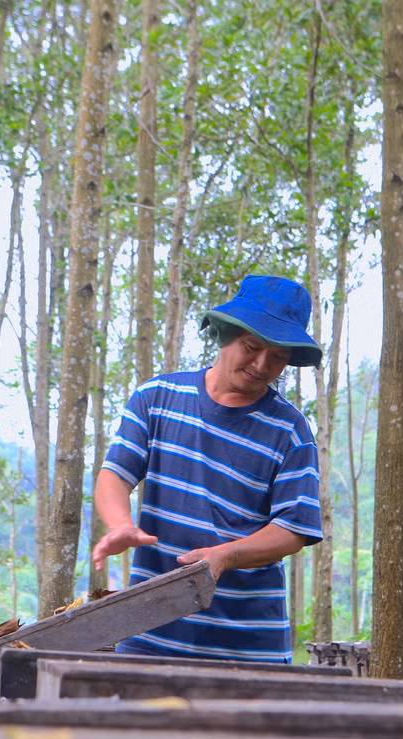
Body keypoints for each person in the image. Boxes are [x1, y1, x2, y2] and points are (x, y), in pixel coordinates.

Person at [91, 274, 324, 662]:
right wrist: (121, 525)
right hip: (151, 637)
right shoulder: (158, 397)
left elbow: (294, 530)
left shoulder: (291, 430)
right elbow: (115, 473)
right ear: (224, 334)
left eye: (279, 357)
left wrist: (227, 555)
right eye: (253, 347)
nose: (263, 364)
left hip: (249, 648)